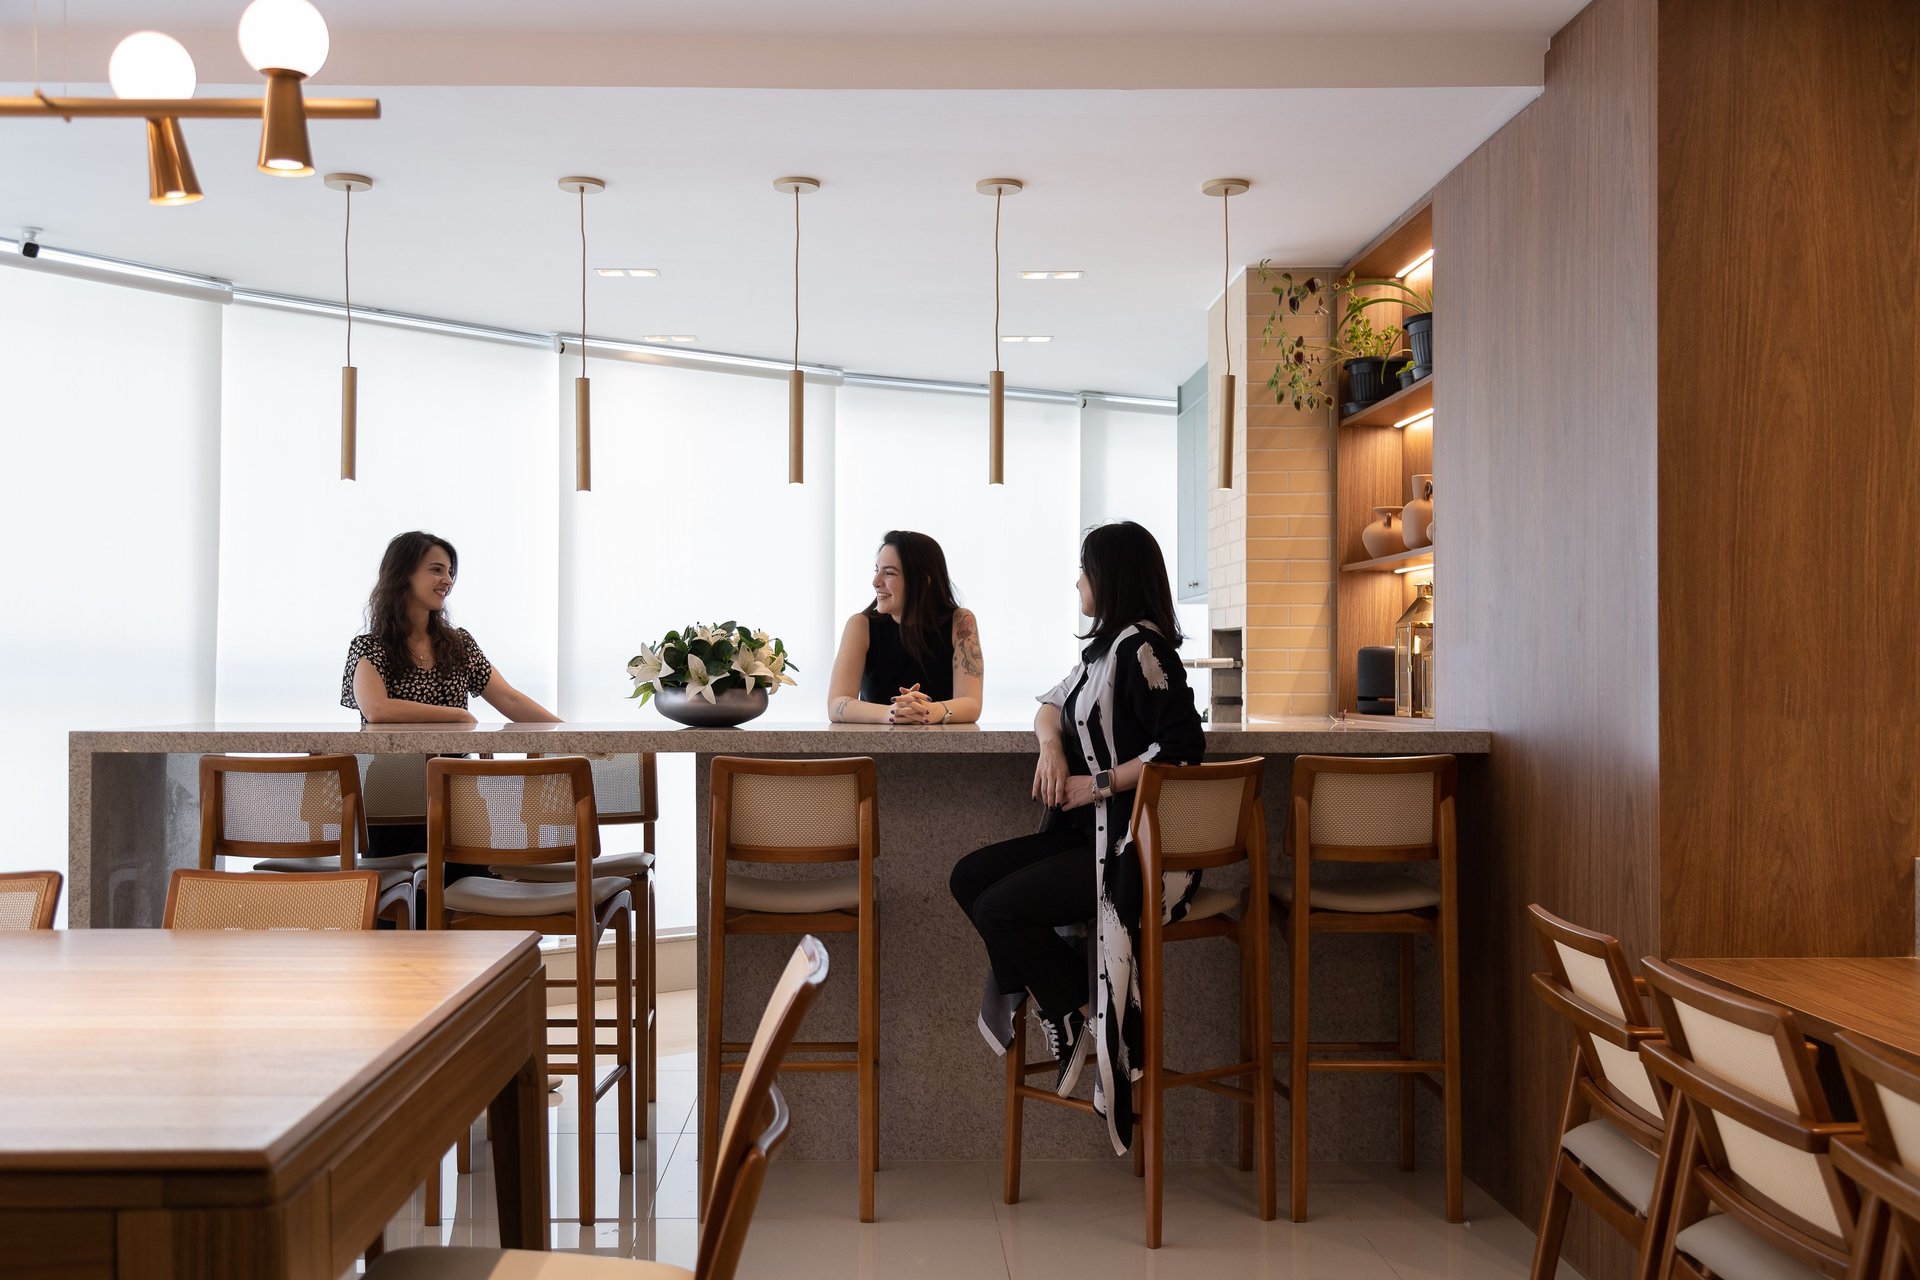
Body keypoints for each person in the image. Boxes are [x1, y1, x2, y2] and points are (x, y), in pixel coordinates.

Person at [948, 520, 1204, 1155]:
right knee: (968, 877)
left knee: (997, 909)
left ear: (1110, 578)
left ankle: (1074, 1009)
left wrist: (1100, 785)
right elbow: (1049, 704)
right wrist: (1051, 747)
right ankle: (1073, 1007)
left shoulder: (1143, 650)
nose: (1078, 582)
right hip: (1085, 840)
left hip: (1127, 853)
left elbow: (1182, 748)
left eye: (1086, 570)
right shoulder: (1102, 652)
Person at [341, 530, 560, 726]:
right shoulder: (370, 647)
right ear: (403, 574)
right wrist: (458, 715)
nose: (448, 580)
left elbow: (510, 700)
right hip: (393, 762)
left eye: (449, 572)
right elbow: (377, 710)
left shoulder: (459, 645)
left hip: (456, 761)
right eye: (437, 570)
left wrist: (574, 739)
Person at [826, 530, 983, 725]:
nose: (876, 582)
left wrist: (931, 711)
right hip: (875, 743)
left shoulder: (961, 622)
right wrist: (891, 713)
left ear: (924, 581)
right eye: (877, 570)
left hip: (944, 744)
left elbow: (971, 703)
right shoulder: (860, 625)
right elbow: (836, 704)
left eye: (889, 573)